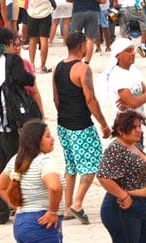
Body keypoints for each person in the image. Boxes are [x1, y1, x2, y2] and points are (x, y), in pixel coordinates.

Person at [0, 28, 38, 225]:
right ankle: (15, 204)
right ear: (9, 44)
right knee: (14, 164)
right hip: (7, 121)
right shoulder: (12, 61)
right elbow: (26, 79)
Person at [51, 32, 110, 226]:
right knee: (92, 163)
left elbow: (56, 98)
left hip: (63, 123)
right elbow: (90, 99)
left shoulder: (58, 67)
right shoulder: (83, 69)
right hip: (81, 124)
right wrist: (103, 124)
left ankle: (68, 207)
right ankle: (77, 203)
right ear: (81, 47)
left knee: (71, 165)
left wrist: (64, 114)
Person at [0, 120, 65, 243]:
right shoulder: (44, 162)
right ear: (36, 141)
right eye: (48, 136)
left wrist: (16, 207)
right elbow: (55, 188)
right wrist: (53, 211)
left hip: (21, 221)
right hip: (41, 222)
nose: (53, 139)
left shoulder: (16, 159)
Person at [97, 110, 146, 243]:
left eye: (139, 126)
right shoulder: (116, 149)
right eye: (134, 127)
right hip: (121, 208)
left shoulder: (135, 144)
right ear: (121, 131)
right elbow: (103, 176)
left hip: (138, 208)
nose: (138, 130)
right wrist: (124, 196)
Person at [100, 37, 146, 121]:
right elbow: (134, 103)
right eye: (128, 51)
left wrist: (136, 100)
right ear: (118, 55)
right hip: (125, 123)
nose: (133, 53)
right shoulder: (117, 75)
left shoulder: (134, 70)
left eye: (133, 50)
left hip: (138, 122)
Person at [66, 0, 106, 64]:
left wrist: (77, 0)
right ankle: (87, 62)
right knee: (90, 38)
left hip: (77, 11)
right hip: (92, 11)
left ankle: (75, 59)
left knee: (75, 37)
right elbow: (103, 0)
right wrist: (95, 1)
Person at [24, 0, 55, 72]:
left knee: (32, 38)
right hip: (46, 12)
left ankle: (32, 64)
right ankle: (42, 65)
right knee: (44, 39)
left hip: (32, 12)